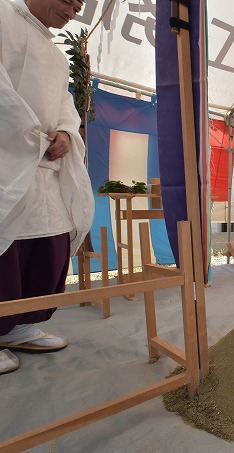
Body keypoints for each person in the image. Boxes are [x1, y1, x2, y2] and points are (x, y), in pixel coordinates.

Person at [0, 0, 94, 375]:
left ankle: (17, 324)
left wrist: (67, 135)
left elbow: (65, 108)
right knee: (6, 246)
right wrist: (30, 135)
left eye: (79, 5)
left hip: (46, 168)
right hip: (9, 160)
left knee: (47, 246)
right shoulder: (3, 17)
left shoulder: (57, 57)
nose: (73, 8)